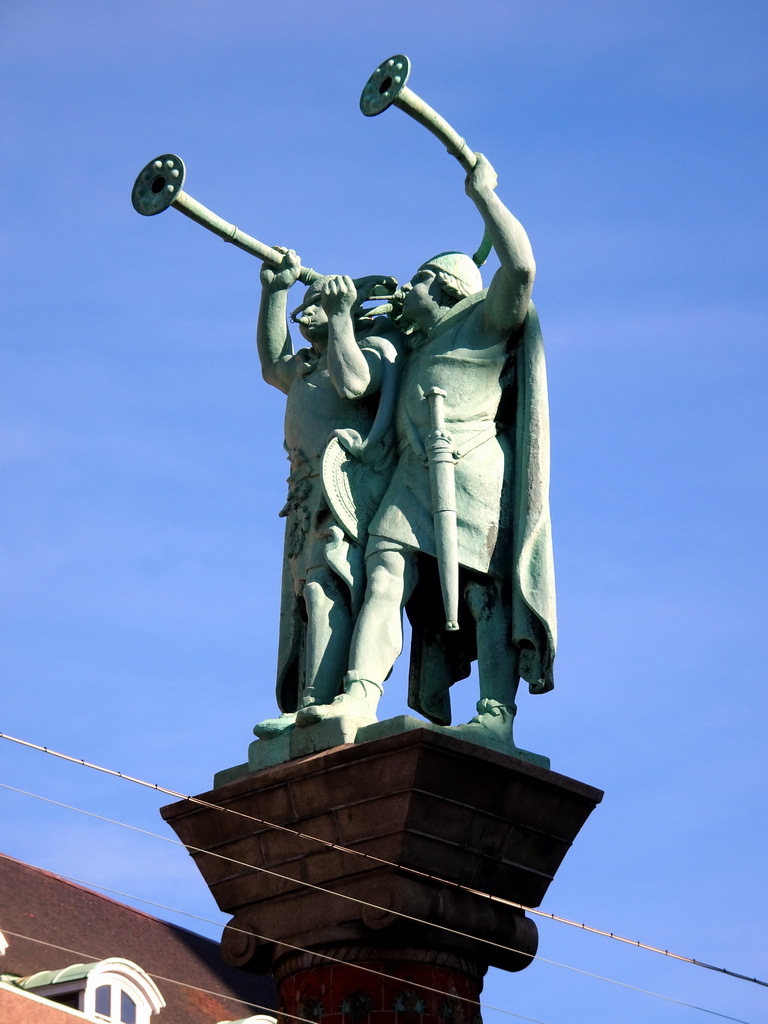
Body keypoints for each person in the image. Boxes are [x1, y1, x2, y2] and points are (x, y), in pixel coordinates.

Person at [298, 156, 556, 750]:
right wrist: (340, 319)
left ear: (442, 287)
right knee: (384, 572)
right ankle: (361, 692)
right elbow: (357, 383)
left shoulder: (485, 320)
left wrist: (485, 196)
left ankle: (496, 713)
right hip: (413, 476)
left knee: (482, 592)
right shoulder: (410, 346)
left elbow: (521, 266)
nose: (405, 290)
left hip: (473, 471)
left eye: (416, 280)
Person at [253, 250, 401, 738]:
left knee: (326, 588)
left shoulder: (371, 351)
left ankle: (317, 702)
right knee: (303, 597)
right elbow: (271, 363)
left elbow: (354, 384)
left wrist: (341, 318)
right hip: (302, 495)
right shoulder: (303, 365)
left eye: (311, 303)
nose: (302, 314)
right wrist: (275, 292)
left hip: (342, 492)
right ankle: (305, 704)